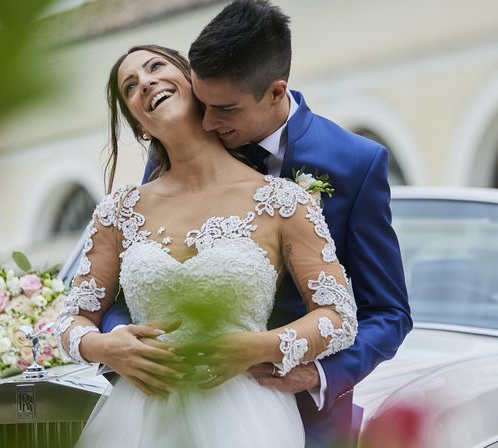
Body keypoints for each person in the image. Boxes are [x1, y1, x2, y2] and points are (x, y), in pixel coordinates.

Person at [54, 44, 358, 447]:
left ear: (194, 83)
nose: (145, 82)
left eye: (155, 67)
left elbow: (339, 316)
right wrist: (105, 347)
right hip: (137, 422)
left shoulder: (283, 201)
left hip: (250, 419)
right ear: (139, 126)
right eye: (130, 86)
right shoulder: (117, 212)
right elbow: (70, 320)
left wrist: (258, 347)